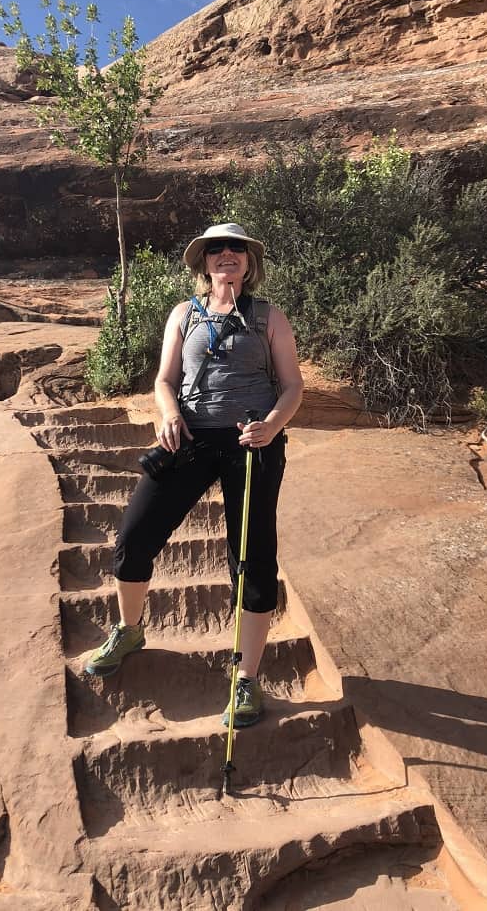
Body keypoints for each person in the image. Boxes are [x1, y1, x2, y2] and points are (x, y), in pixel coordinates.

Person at [84, 223, 304, 728]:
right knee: (134, 537)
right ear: (203, 263)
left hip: (252, 442)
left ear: (248, 262)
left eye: (236, 249)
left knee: (251, 556)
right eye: (216, 250)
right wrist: (167, 414)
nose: (226, 255)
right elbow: (165, 380)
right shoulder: (184, 314)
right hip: (188, 439)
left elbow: (293, 386)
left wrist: (271, 426)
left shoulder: (269, 317)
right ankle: (129, 628)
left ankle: (245, 678)